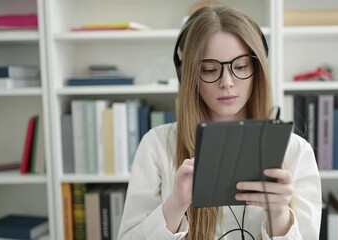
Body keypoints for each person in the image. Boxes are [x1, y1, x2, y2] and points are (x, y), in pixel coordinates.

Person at [118, 5, 321, 240]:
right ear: (190, 75)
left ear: (258, 70)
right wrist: (175, 205)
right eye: (210, 69)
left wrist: (279, 215)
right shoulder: (157, 145)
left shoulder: (295, 151)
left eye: (241, 67)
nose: (227, 82)